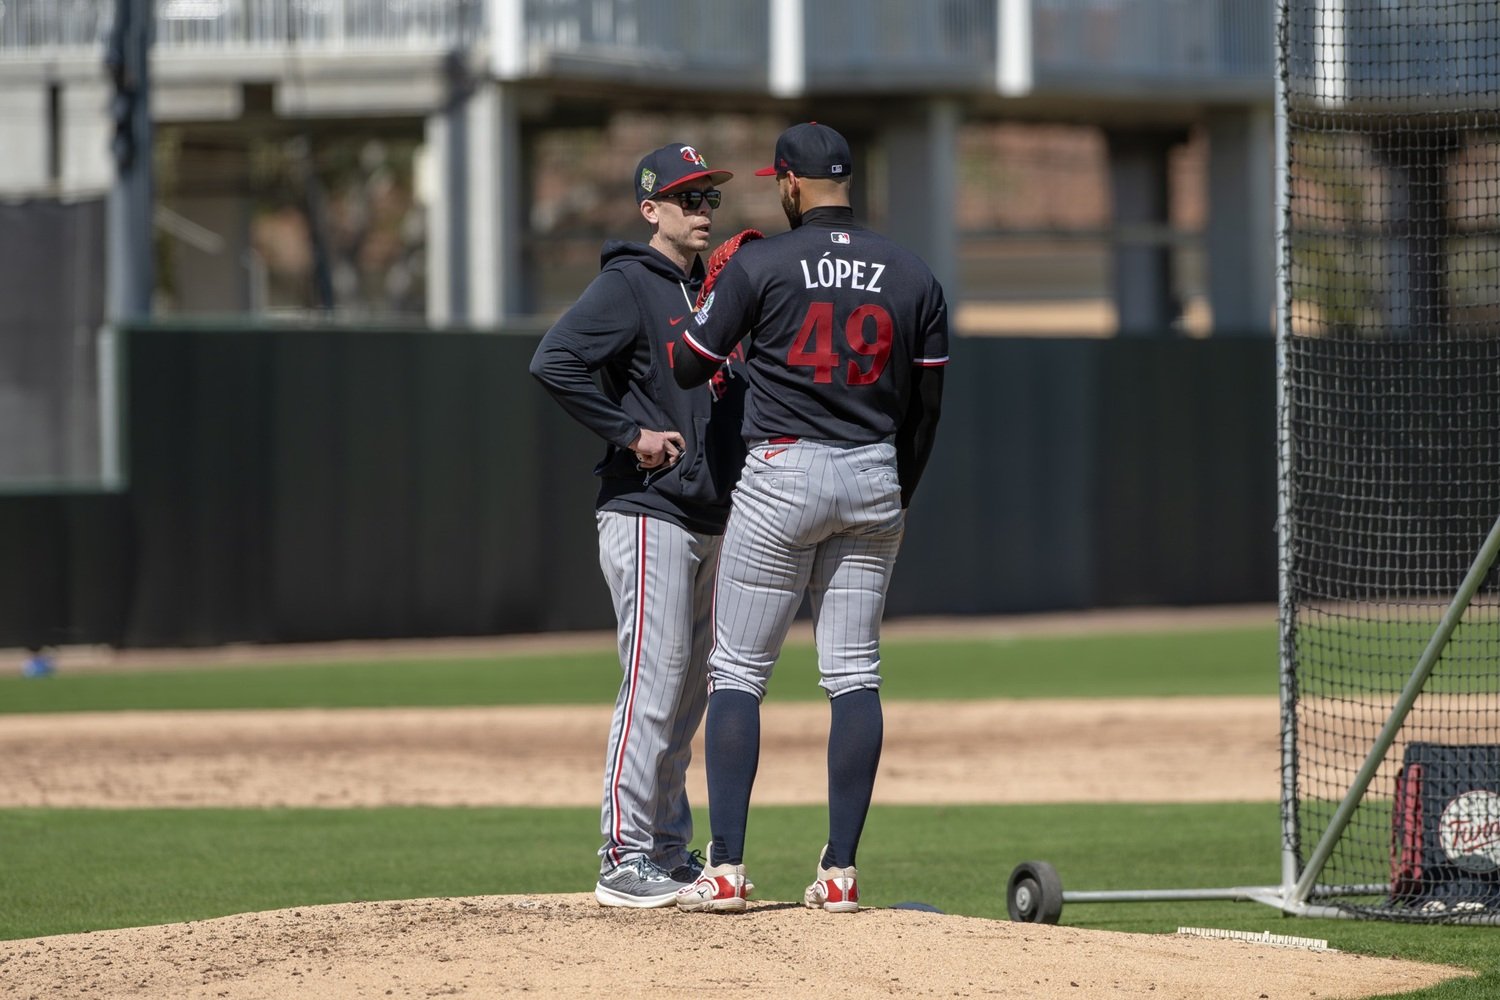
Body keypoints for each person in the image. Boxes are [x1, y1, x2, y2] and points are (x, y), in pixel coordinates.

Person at [669, 122, 948, 914]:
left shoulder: (762, 263)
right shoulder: (913, 272)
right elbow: (927, 408)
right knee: (854, 674)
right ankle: (840, 874)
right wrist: (898, 492)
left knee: (738, 672)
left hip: (784, 469)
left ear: (790, 183)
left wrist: (717, 303)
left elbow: (688, 364)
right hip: (873, 473)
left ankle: (727, 869)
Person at [529, 142, 746, 908]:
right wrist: (630, 434)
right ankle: (622, 855)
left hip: (708, 514)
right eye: (687, 198)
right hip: (648, 510)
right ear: (650, 209)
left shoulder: (712, 291)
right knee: (653, 682)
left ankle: (665, 848)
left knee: (686, 695)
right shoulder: (629, 283)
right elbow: (554, 360)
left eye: (709, 197)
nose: (702, 210)